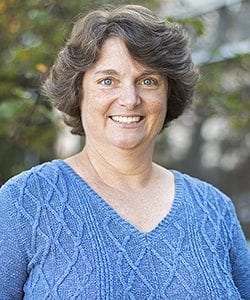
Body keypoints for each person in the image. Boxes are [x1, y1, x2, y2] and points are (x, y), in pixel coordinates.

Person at [0, 4, 249, 299]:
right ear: (78, 93)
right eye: (108, 81)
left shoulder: (213, 209)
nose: (130, 100)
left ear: (170, 94)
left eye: (148, 81)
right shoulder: (25, 202)